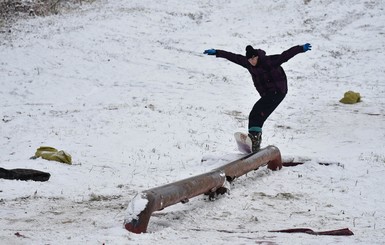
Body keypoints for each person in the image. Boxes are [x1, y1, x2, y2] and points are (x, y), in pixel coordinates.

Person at [203, 43, 312, 152]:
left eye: (253, 59)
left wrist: (301, 48)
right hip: (268, 94)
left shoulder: (269, 61)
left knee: (256, 111)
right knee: (257, 115)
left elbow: (286, 55)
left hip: (278, 91)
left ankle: (254, 139)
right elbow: (233, 57)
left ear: (257, 56)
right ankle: (255, 140)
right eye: (249, 60)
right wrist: (217, 52)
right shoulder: (248, 64)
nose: (252, 62)